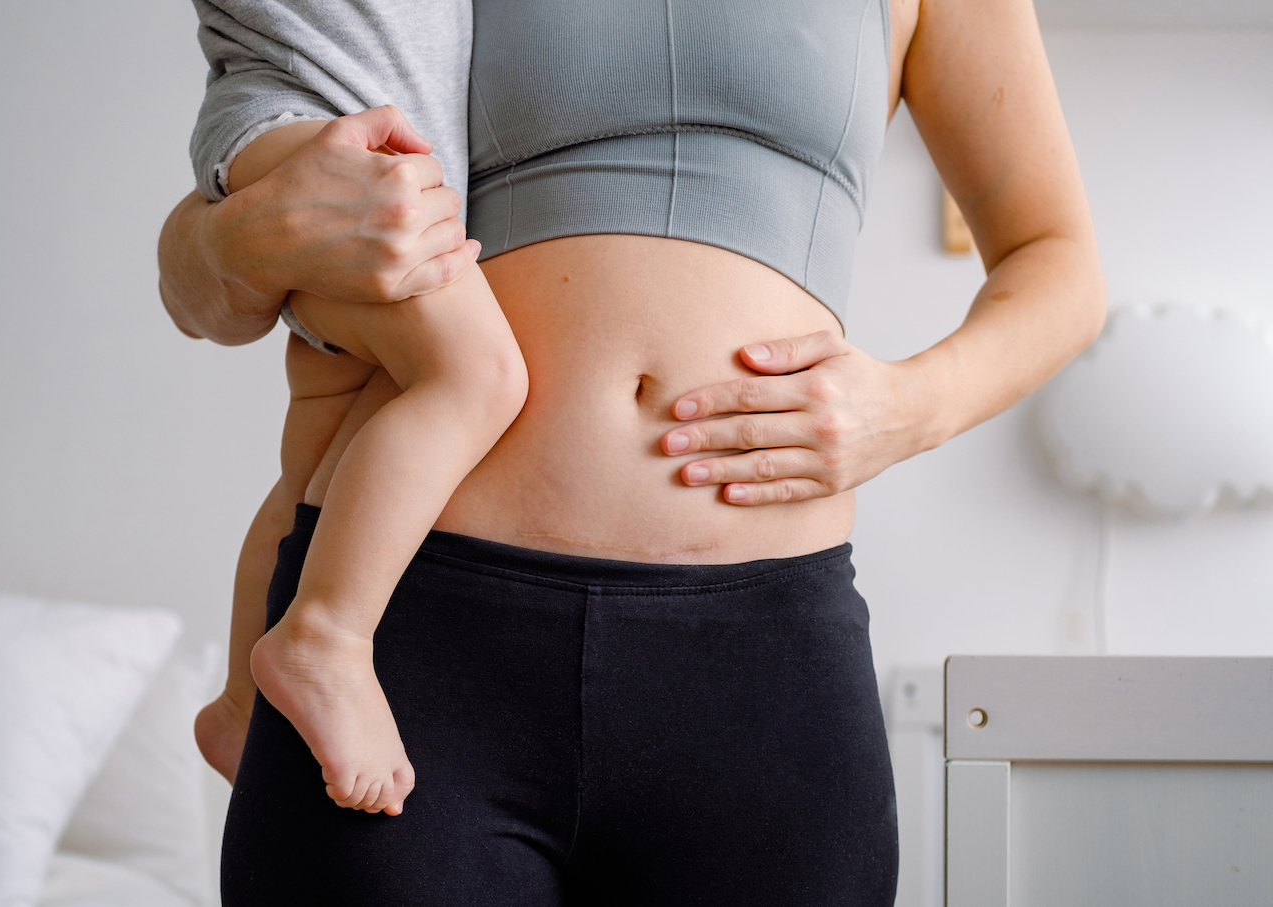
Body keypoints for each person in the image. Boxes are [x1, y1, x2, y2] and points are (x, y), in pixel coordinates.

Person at [160, 0, 1107, 902]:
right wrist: (232, 238)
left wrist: (912, 405)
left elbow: (1057, 260)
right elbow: (203, 258)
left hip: (759, 664)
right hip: (414, 637)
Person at [183, 0, 526, 818]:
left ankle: (239, 705)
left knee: (319, 467)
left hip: (364, 151)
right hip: (309, 133)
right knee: (480, 375)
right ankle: (325, 636)